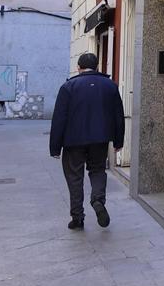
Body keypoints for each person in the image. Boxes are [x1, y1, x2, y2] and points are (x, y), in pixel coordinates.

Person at [49, 52, 125, 230]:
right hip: (100, 139)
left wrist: (55, 147)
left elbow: (59, 118)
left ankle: (77, 217)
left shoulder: (68, 87)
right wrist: (118, 141)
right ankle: (98, 200)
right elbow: (118, 116)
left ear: (78, 67)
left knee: (74, 177)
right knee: (98, 170)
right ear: (97, 67)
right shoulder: (110, 86)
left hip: (73, 141)